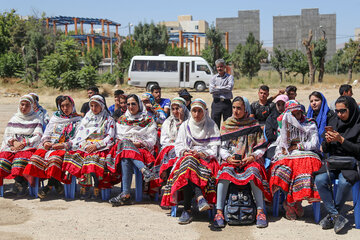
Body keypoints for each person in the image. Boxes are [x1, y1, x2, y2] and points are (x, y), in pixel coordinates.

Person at [214, 96, 271, 228]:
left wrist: (252, 157)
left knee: (254, 173)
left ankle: (260, 212)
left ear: (246, 108)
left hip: (250, 159)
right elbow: (222, 147)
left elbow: (261, 147)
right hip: (232, 160)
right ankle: (219, 211)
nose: (235, 111)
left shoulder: (253, 124)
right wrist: (228, 158)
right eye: (234, 108)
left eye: (239, 108)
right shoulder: (227, 124)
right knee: (224, 174)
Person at [161, 99, 221, 225]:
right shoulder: (185, 125)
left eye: (199, 111)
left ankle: (187, 210)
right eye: (194, 111)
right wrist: (185, 152)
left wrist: (201, 154)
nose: (196, 114)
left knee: (188, 167)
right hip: (188, 157)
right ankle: (200, 198)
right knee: (188, 163)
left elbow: (214, 149)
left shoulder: (211, 126)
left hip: (206, 160)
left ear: (205, 112)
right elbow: (178, 146)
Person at [314, 96, 360, 234]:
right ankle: (336, 216)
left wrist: (341, 140)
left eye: (343, 111)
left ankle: (332, 216)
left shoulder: (358, 124)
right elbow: (325, 149)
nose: (339, 114)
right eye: (337, 111)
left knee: (344, 182)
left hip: (352, 163)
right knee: (320, 180)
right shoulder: (334, 121)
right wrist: (327, 142)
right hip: (334, 162)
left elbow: (358, 150)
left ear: (351, 109)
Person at [270, 100, 322, 220]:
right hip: (290, 155)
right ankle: (294, 201)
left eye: (298, 113)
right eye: (293, 114)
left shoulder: (310, 123)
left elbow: (314, 143)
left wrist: (298, 146)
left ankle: (291, 202)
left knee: (306, 166)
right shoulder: (284, 124)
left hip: (307, 153)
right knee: (280, 170)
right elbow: (280, 143)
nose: (296, 116)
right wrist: (282, 149)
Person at [23, 96, 82, 199]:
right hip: (50, 146)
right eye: (62, 106)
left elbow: (78, 139)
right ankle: (56, 184)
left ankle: (49, 186)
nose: (65, 108)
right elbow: (47, 133)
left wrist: (63, 145)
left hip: (67, 148)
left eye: (67, 105)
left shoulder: (78, 120)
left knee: (55, 159)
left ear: (72, 105)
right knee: (35, 158)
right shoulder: (55, 118)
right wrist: (46, 141)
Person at [107, 94, 157, 206]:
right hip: (125, 148)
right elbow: (118, 137)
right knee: (125, 146)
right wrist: (130, 143)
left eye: (133, 104)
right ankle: (144, 170)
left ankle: (125, 194)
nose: (130, 106)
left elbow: (152, 140)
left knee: (125, 152)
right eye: (128, 104)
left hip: (142, 149)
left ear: (139, 104)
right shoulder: (122, 119)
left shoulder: (148, 120)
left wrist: (139, 144)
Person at [62, 94, 115, 200]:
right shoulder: (86, 118)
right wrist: (85, 145)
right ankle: (85, 185)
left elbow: (110, 137)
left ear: (102, 106)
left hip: (101, 147)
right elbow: (79, 136)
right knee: (74, 157)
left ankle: (97, 186)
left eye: (96, 106)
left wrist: (96, 145)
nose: (94, 108)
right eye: (91, 106)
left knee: (93, 160)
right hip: (86, 146)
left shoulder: (108, 119)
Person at [0, 94, 43, 196]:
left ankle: (22, 183)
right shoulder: (14, 119)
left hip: (28, 147)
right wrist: (14, 142)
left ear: (32, 106)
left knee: (20, 160)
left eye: (27, 105)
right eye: (22, 104)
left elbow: (37, 136)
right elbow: (7, 134)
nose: (24, 107)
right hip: (13, 146)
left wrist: (23, 143)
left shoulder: (36, 119)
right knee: (3, 159)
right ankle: (20, 181)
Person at [153, 97, 190, 186]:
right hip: (170, 148)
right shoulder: (168, 122)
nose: (175, 111)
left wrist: (181, 122)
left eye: (177, 108)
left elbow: (188, 139)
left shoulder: (190, 122)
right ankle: (171, 183)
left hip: (186, 149)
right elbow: (164, 140)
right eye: (173, 109)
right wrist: (175, 143)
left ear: (183, 108)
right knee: (171, 152)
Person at [209, 59, 234, 128]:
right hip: (216, 103)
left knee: (228, 124)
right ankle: (216, 138)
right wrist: (224, 88)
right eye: (218, 67)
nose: (219, 68)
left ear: (224, 67)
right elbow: (211, 90)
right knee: (215, 125)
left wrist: (217, 87)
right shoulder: (213, 78)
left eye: (221, 66)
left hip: (226, 103)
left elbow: (229, 88)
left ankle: (226, 138)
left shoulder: (230, 77)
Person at [264, 94, 288, 159]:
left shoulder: (292, 117)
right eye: (278, 104)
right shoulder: (271, 118)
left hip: (290, 145)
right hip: (275, 144)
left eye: (283, 104)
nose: (280, 107)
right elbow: (270, 136)